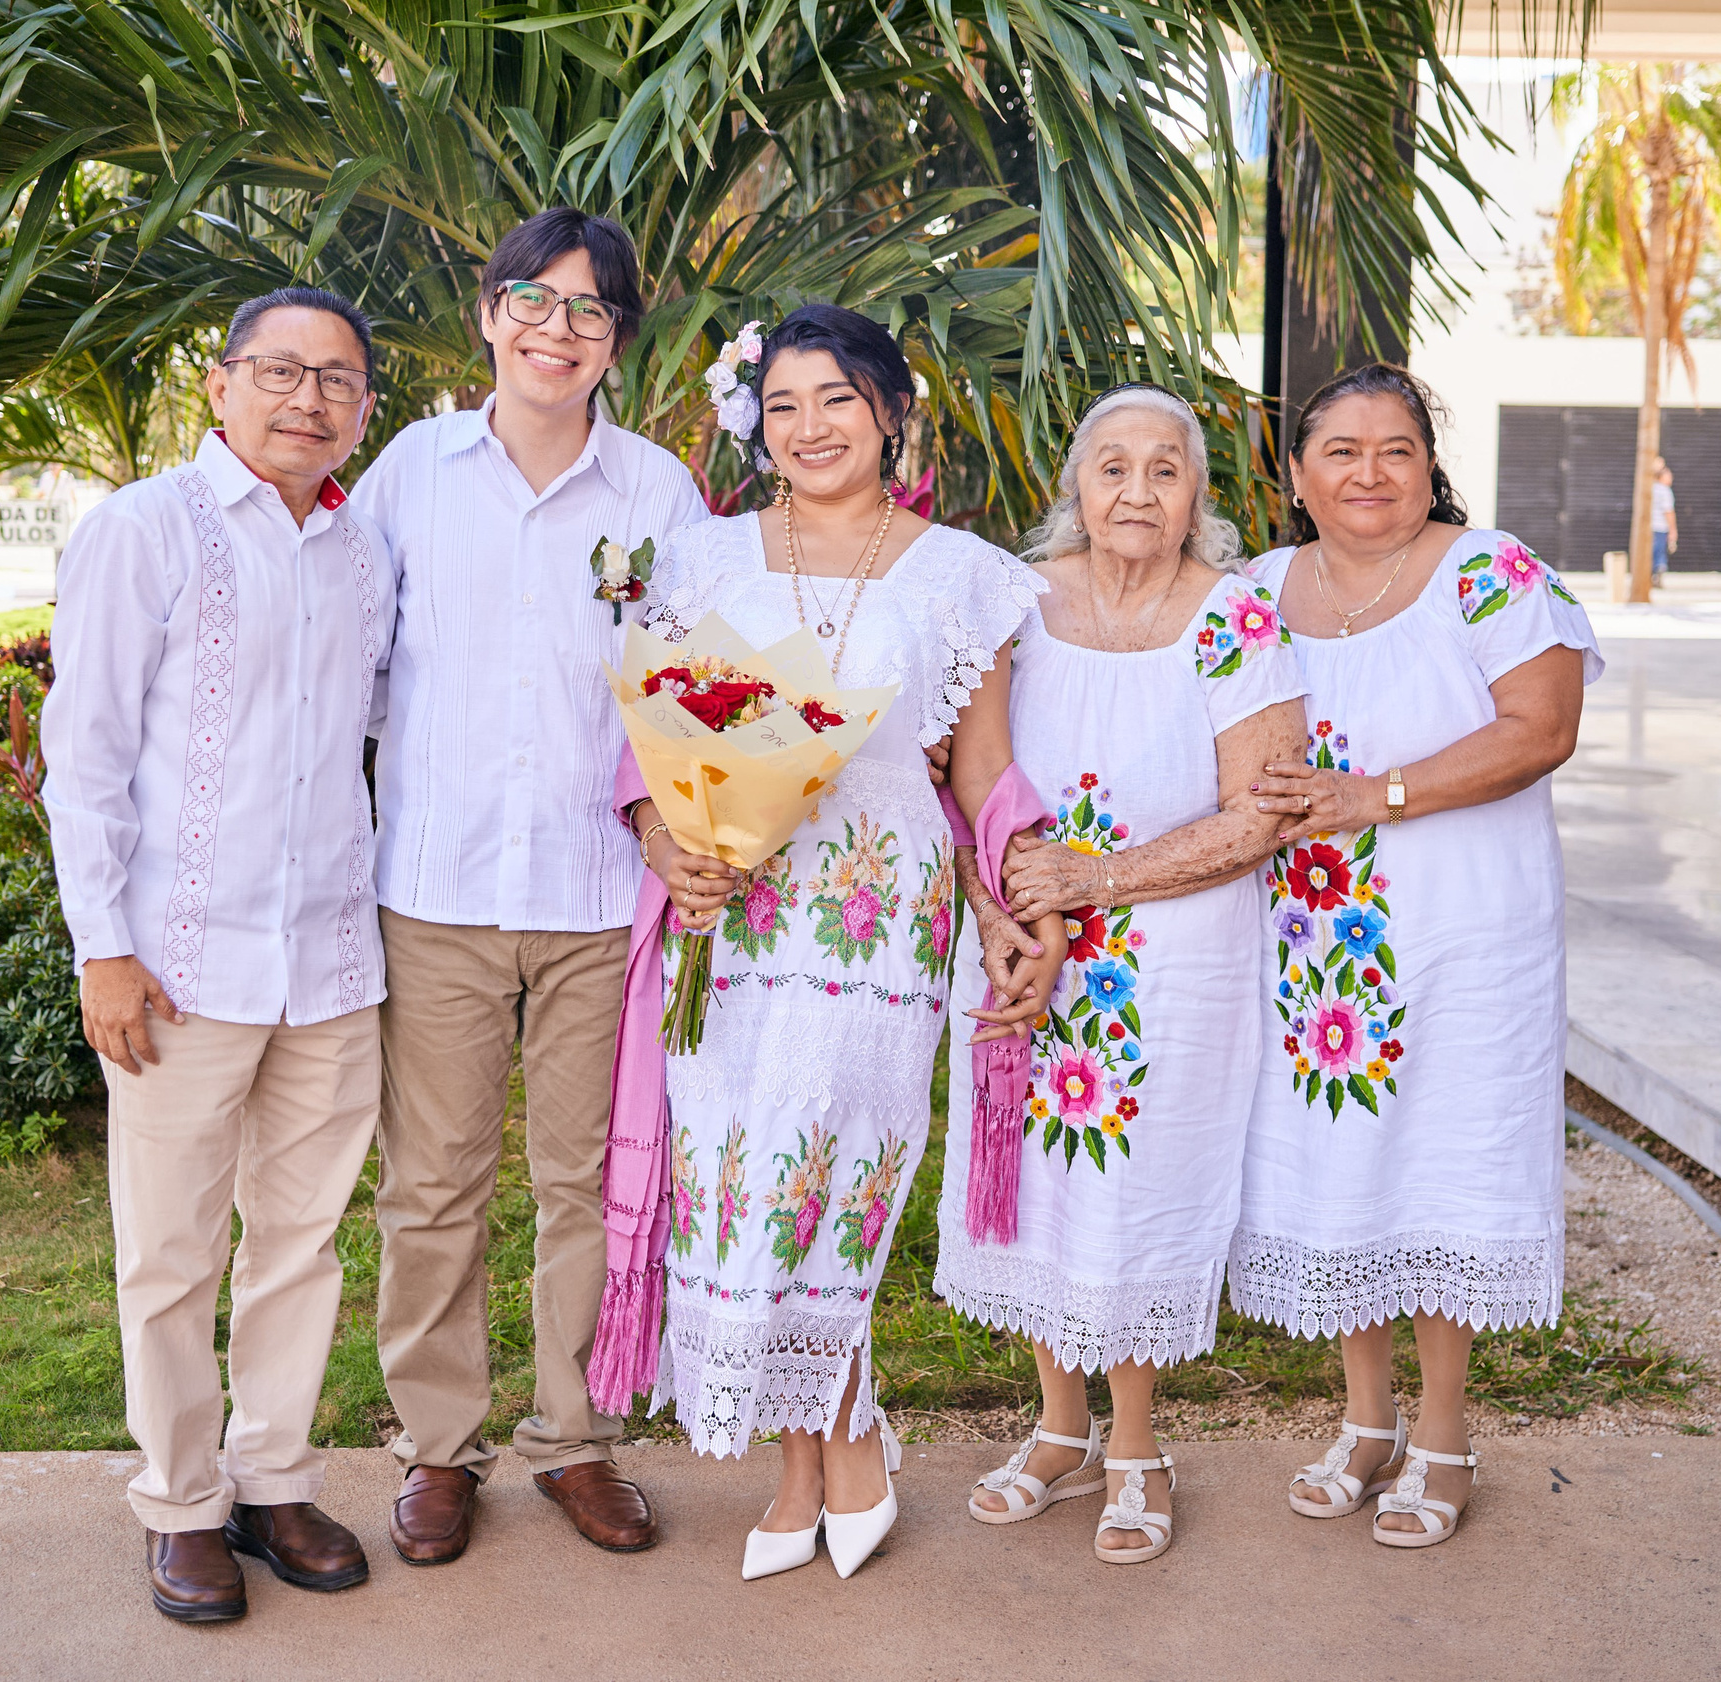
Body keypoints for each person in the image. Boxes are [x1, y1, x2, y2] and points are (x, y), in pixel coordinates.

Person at [626, 304, 1043, 1579]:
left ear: (891, 414)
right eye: (786, 404)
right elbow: (646, 747)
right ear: (756, 417)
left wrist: (1015, 913)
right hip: (732, 904)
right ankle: (808, 1446)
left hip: (876, 902)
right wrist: (670, 846)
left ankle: (840, 1436)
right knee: (735, 1165)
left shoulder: (960, 573)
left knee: (831, 1161)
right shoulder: (698, 558)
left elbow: (983, 773)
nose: (809, 428)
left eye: (839, 401)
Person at [349, 208, 708, 1565]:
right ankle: (439, 1446)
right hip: (434, 881)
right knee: (432, 1180)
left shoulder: (659, 496)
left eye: (591, 310)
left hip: (598, 890)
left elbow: (684, 691)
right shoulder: (410, 473)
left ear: (619, 339)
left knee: (586, 1177)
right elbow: (358, 656)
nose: (560, 329)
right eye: (536, 301)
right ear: (489, 313)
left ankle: (578, 1438)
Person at [46, 286, 393, 1622]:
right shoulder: (144, 531)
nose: (310, 399)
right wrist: (103, 949)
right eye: (283, 372)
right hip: (180, 965)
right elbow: (83, 764)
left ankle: (273, 1478)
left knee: (301, 1243)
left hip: (329, 961)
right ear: (221, 383)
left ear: (363, 411)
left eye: (339, 381)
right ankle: (182, 1501)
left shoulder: (360, 553)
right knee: (172, 1253)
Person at [937, 386, 1307, 1566]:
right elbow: (962, 777)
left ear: (1198, 493)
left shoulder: (1236, 618)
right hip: (1021, 941)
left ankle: (1136, 1443)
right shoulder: (1015, 607)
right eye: (1112, 468)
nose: (1136, 492)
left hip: (1170, 956)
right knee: (1036, 1181)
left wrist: (1096, 881)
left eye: (1163, 469)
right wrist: (1005, 910)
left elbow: (1262, 813)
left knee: (1134, 1190)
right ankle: (1057, 1427)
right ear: (1075, 485)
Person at [1239, 363, 1601, 1548]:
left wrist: (1373, 792)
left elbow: (1541, 729)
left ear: (1426, 461)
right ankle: (1364, 1418)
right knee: (1344, 1162)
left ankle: (1442, 1432)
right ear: (1295, 473)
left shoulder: (1487, 571)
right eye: (1338, 449)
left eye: (1394, 448)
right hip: (1319, 947)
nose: (1367, 472)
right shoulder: (1252, 590)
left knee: (1445, 1166)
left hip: (1466, 933)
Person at [1649, 460, 1676, 585]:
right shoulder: (1665, 491)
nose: (1671, 477)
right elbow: (1668, 511)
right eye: (1669, 475)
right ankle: (1657, 576)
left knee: (1651, 552)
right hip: (1660, 527)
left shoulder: (1651, 488)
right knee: (1659, 553)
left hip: (1649, 527)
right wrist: (1673, 530)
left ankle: (1650, 575)